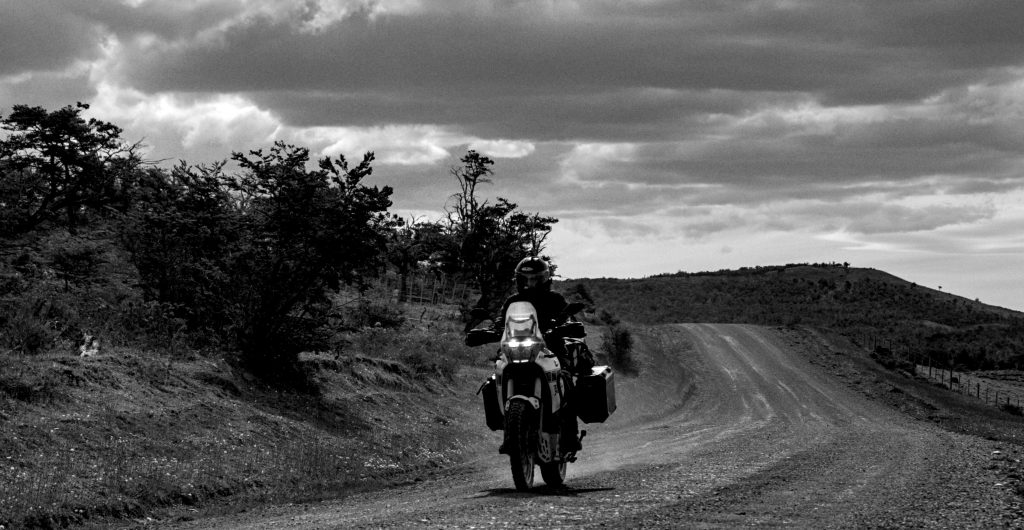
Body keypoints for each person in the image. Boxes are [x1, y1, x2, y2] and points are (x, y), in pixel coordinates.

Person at [497, 256, 583, 453]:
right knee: (495, 377)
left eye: (535, 279)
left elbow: (567, 318)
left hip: (551, 350)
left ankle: (570, 436)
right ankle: (510, 433)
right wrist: (490, 329)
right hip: (516, 349)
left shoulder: (555, 299)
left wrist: (567, 326)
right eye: (525, 279)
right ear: (519, 280)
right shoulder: (513, 301)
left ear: (544, 279)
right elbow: (501, 322)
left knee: (565, 380)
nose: (530, 283)